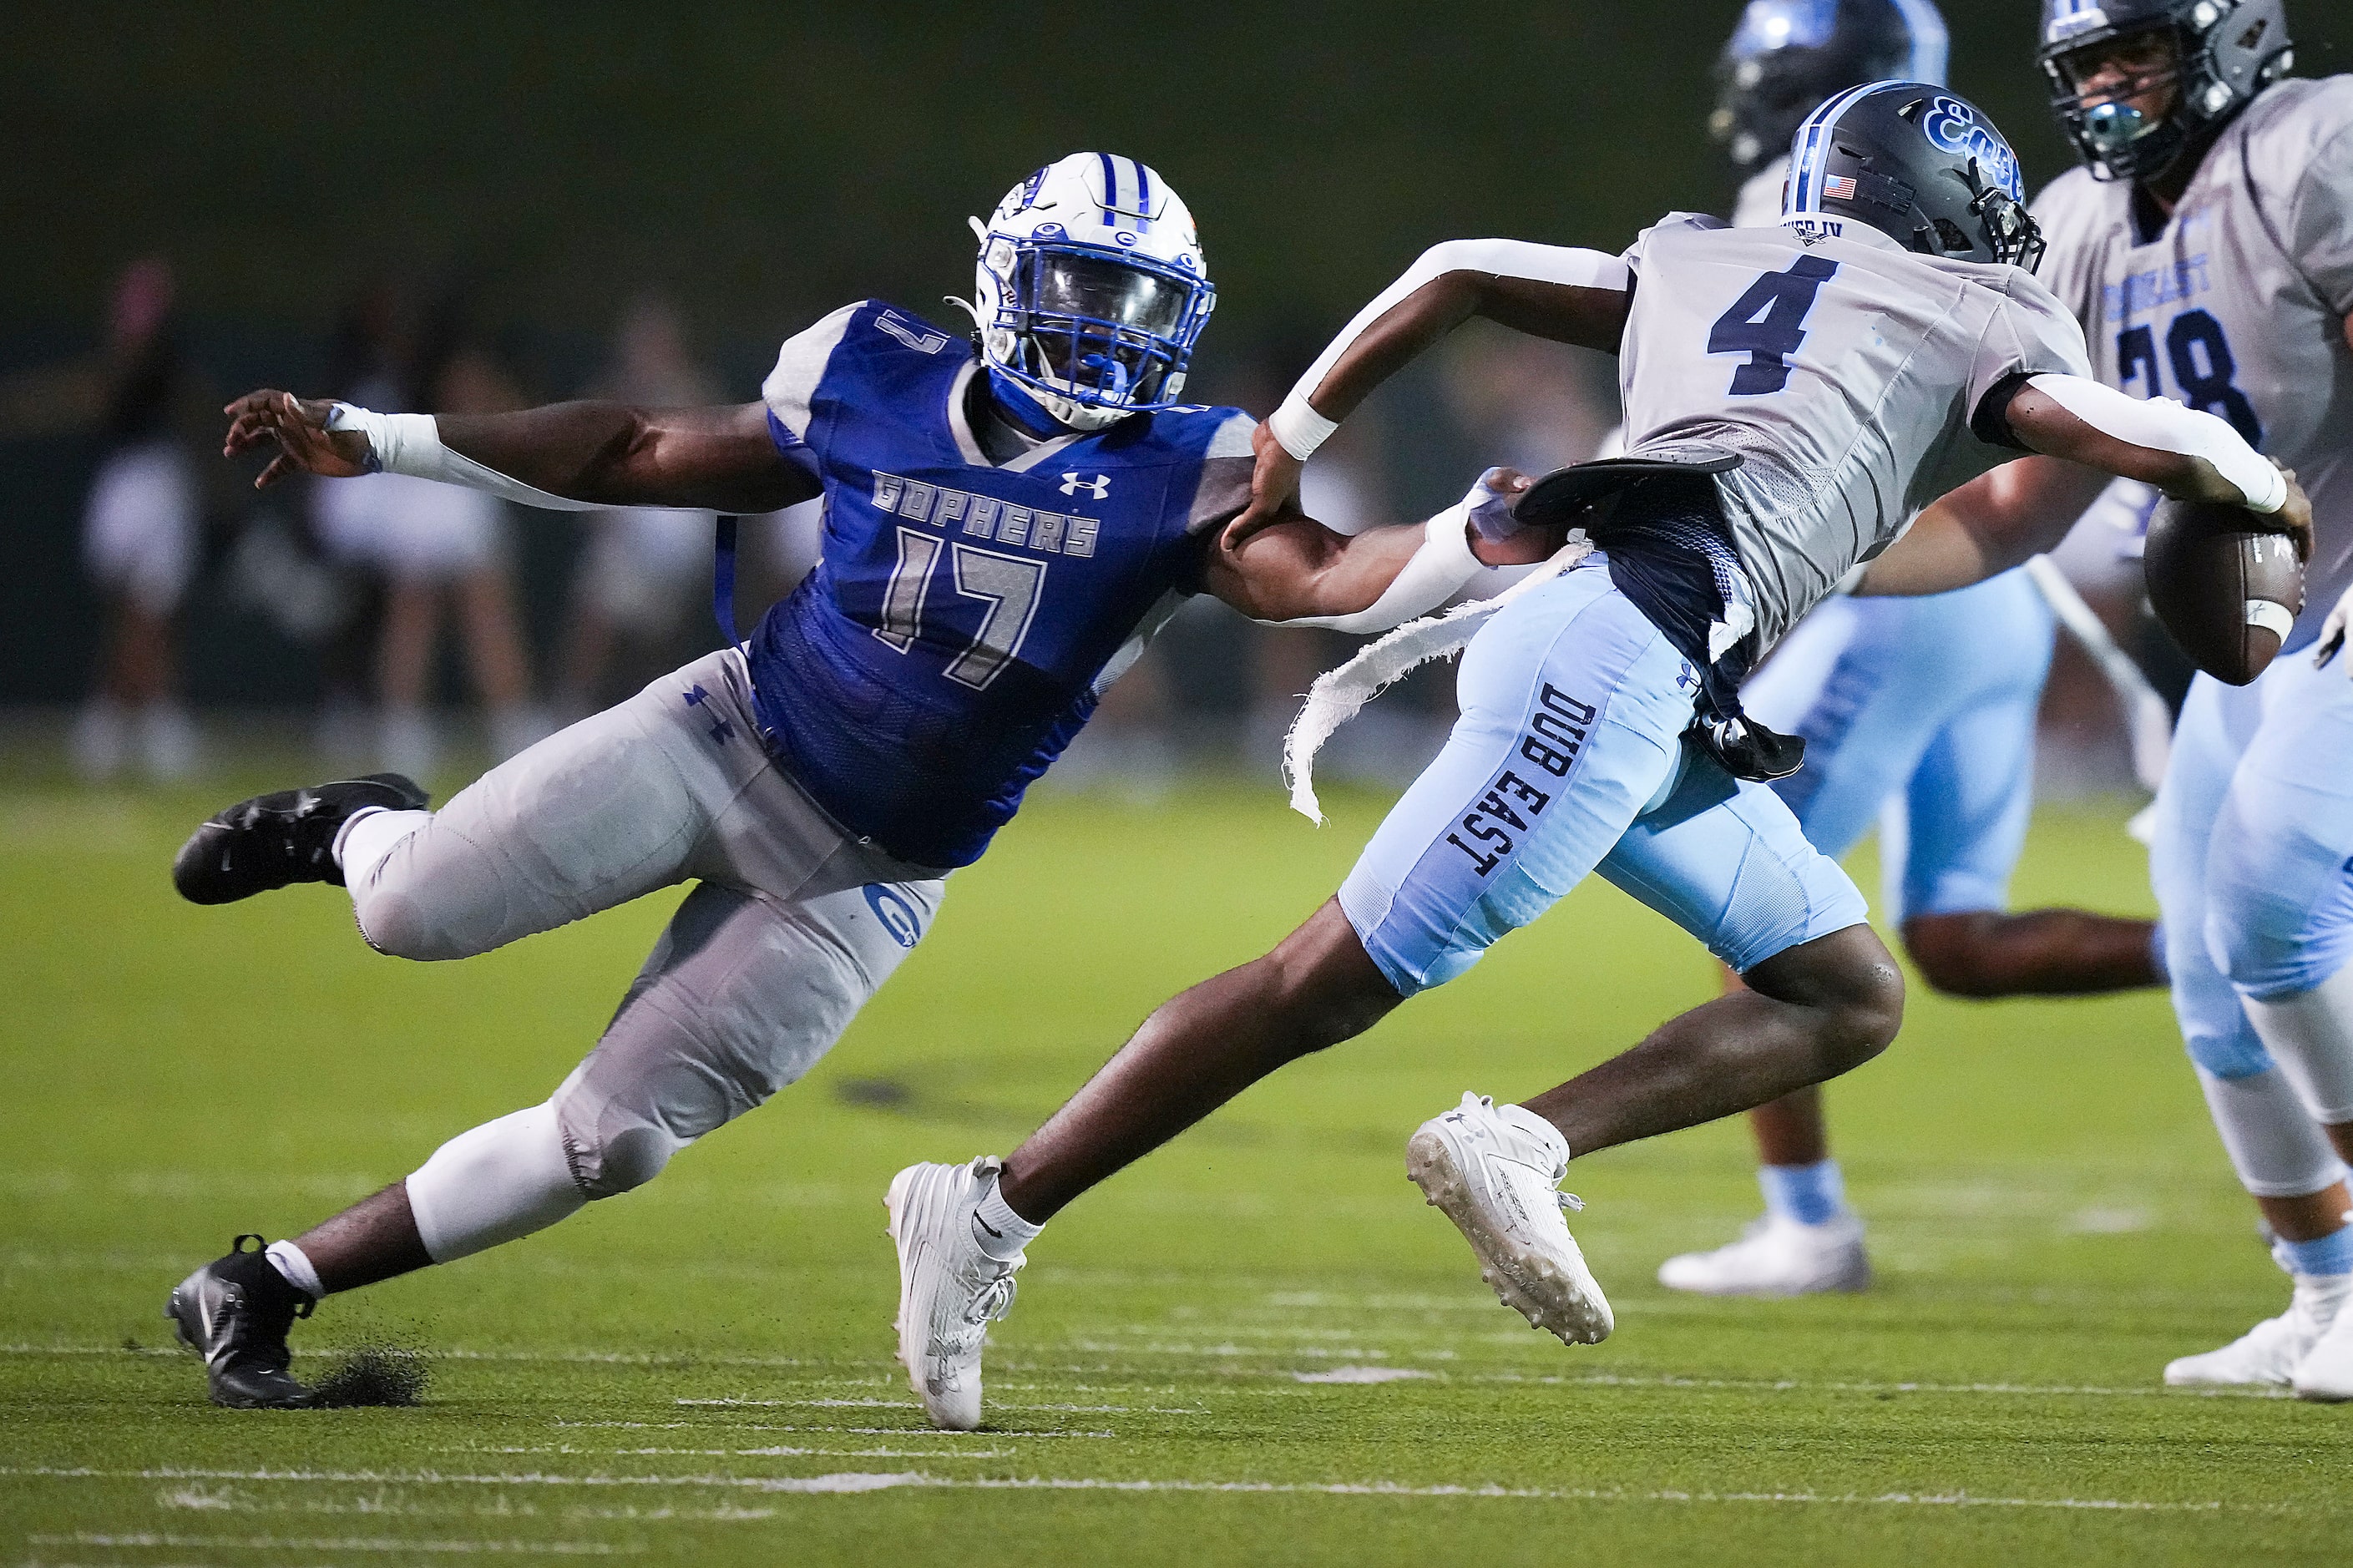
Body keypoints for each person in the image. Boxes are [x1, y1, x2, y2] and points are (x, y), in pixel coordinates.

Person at [888, 84, 2311, 1431]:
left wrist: (1290, 438)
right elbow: (2086, 427)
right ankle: (989, 1206)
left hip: (1631, 650)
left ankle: (1523, 1140)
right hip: (1615, 658)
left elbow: (1450, 269)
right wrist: (2244, 474)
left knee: (1840, 989)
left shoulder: (1705, 255)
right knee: (1308, 987)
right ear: (1947, 204)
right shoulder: (1967, 295)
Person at [158, 152, 1565, 1410]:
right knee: (407, 909)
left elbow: (1317, 575)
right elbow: (639, 448)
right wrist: (384, 438)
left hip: (869, 874)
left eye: (1139, 306)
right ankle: (355, 822)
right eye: (1081, 287)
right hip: (729, 734)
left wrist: (1464, 539)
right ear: (1006, 276)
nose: (1103, 329)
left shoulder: (1184, 467)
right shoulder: (872, 370)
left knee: (613, 1144)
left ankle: (267, 1281)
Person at [1658, 0, 2169, 1300]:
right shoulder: (1971, 186)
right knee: (1956, 939)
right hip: (1994, 590)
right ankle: (2226, 946)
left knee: (1747, 902)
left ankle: (1805, 1223)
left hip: (1901, 589)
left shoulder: (1805, 201)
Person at [1974, 0, 2353, 1399]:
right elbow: (2023, 501)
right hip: (2261, 624)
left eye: (2134, 52)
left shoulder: (2308, 149)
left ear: (2231, 40)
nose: (2107, 88)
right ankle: (2323, 1292)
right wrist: (1802, 558)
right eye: (2083, 65)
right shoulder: (2075, 222)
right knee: (2208, 968)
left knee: (2271, 899)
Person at [74, 258, 205, 782]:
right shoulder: (120, 364)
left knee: (148, 611)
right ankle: (143, 719)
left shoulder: (167, 364)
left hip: (156, 485)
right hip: (128, 487)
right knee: (134, 611)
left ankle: (122, 721)